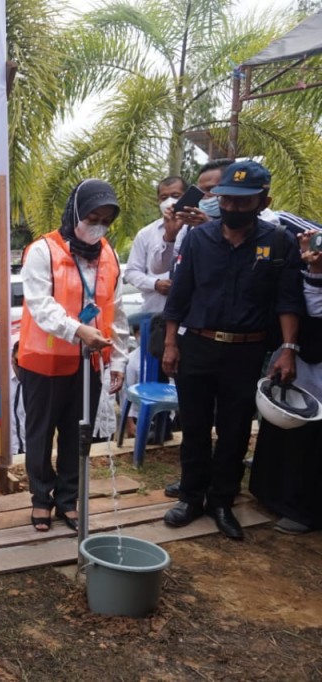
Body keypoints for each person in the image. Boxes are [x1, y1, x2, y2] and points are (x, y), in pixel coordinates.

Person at [161, 160, 303, 540]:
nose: (232, 209)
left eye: (243, 203)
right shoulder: (198, 239)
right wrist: (171, 342)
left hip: (246, 351)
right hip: (198, 346)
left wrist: (287, 349)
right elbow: (179, 295)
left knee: (235, 430)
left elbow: (288, 301)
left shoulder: (278, 242)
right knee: (193, 425)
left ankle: (222, 500)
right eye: (227, 201)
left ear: (263, 201)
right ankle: (191, 497)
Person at [17, 179, 128, 532]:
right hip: (44, 361)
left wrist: (119, 359)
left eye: (106, 220)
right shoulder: (42, 251)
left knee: (76, 433)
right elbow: (39, 303)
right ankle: (41, 498)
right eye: (92, 216)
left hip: (89, 362)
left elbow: (118, 308)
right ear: (76, 212)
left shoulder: (108, 253)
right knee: (40, 434)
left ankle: (68, 499)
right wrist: (77, 330)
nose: (98, 226)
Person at [250, 226, 322, 534]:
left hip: (315, 363)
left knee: (312, 438)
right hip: (299, 354)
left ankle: (304, 509)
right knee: (287, 425)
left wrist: (315, 271)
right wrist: (308, 265)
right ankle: (272, 493)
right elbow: (298, 302)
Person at [124, 176, 187, 313]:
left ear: (186, 196)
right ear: (158, 200)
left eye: (175, 196)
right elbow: (131, 272)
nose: (170, 201)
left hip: (188, 316)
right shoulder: (146, 234)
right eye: (164, 198)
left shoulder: (197, 229)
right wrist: (155, 284)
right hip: (155, 313)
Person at [8, 338, 27, 455]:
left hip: (29, 449)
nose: (21, 369)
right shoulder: (2, 382)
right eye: (18, 363)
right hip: (9, 450)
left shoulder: (34, 381)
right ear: (12, 359)